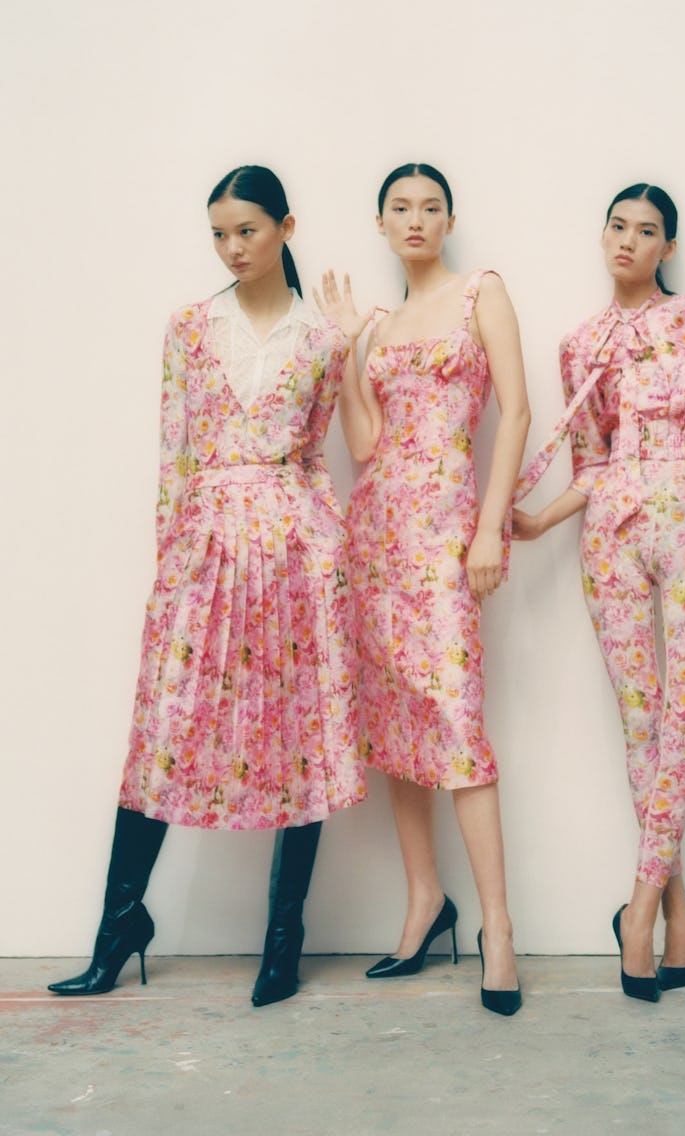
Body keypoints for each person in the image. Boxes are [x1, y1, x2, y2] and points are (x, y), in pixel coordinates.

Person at [48, 165, 365, 1006]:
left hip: (297, 557)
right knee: (162, 730)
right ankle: (119, 927)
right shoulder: (189, 328)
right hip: (206, 550)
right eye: (219, 234)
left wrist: (327, 549)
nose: (232, 248)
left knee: (300, 737)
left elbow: (318, 455)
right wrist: (170, 570)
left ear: (286, 228)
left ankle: (283, 940)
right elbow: (174, 459)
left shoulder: (321, 337)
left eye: (247, 231)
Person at [512, 183, 685, 1002]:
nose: (627, 240)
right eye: (616, 225)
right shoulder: (580, 343)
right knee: (643, 720)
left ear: (668, 247)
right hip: (610, 528)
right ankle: (680, 905)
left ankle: (642, 908)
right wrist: (543, 520)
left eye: (646, 231)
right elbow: (589, 461)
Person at [317, 162, 530, 1015]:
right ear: (380, 223)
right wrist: (343, 351)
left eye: (430, 206)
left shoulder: (482, 292)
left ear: (450, 219)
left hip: (447, 535)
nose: (416, 219)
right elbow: (365, 445)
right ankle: (422, 903)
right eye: (400, 208)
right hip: (376, 540)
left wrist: (487, 526)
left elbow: (514, 413)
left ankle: (500, 930)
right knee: (399, 726)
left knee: (457, 724)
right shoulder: (378, 322)